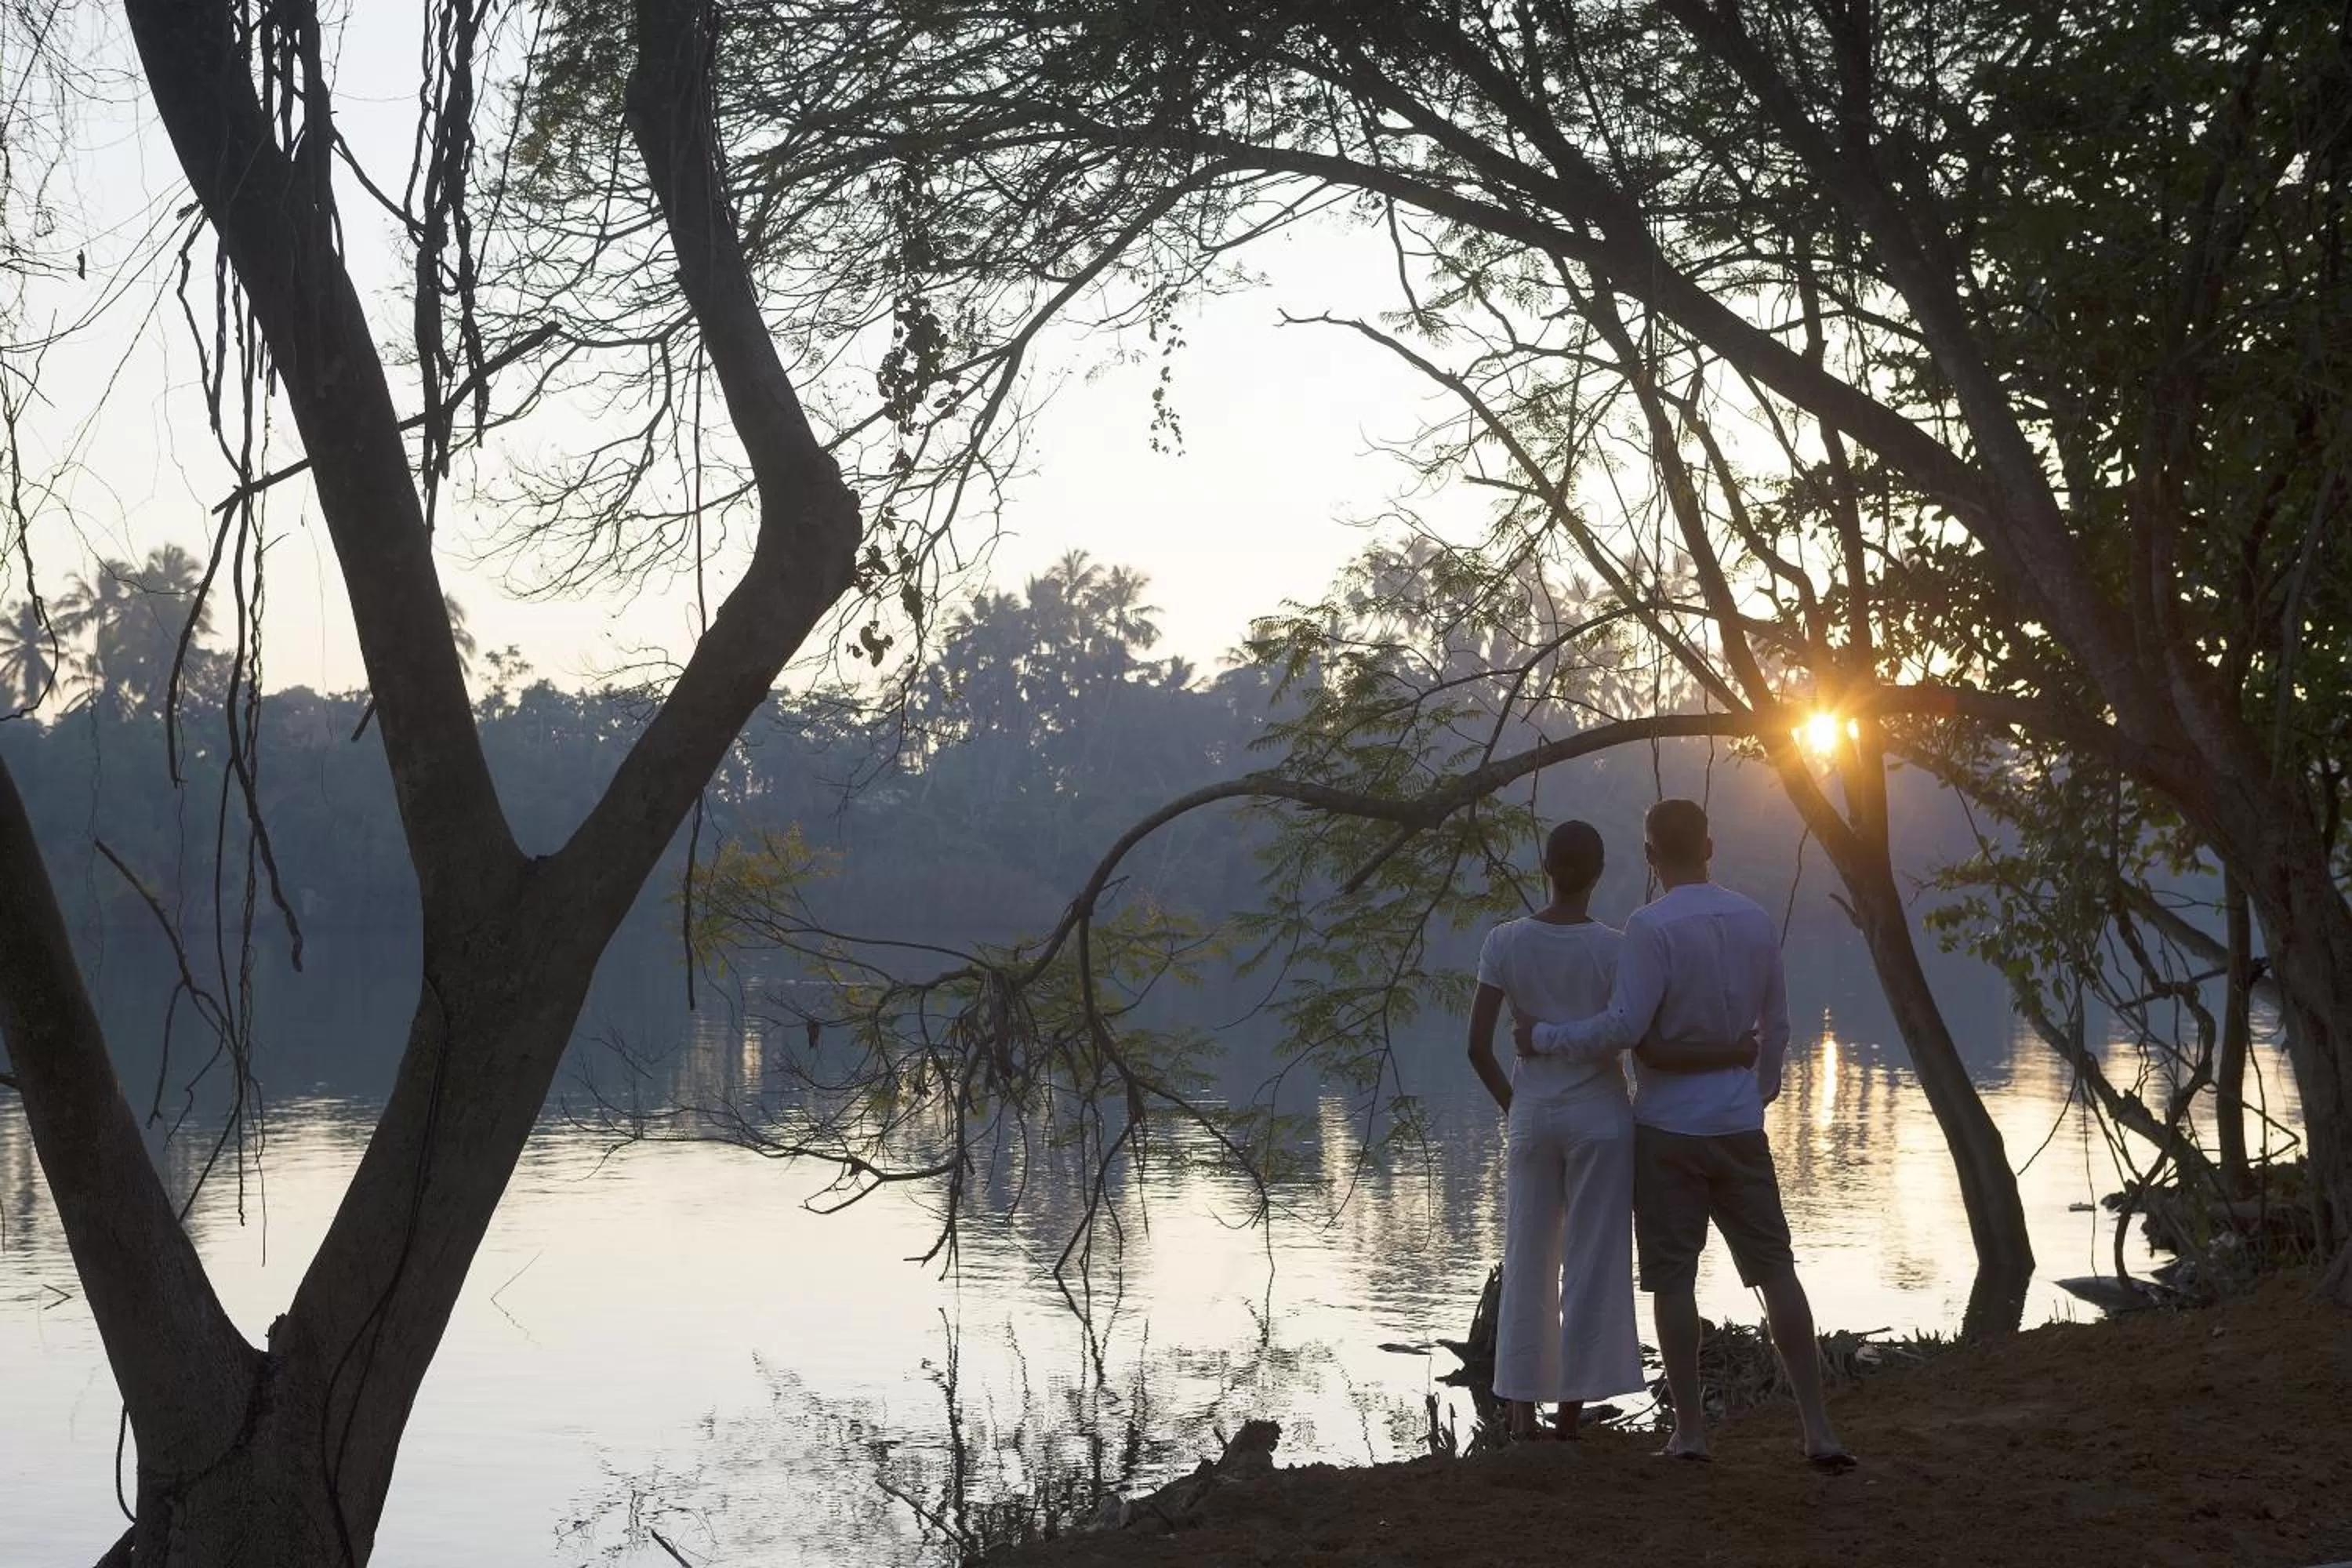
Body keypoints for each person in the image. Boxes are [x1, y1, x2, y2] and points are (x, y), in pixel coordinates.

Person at [1512, 798, 1855, 1472]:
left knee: (1674, 1281)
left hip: (1667, 1130)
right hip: (1738, 1126)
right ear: (1710, 846)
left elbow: (1624, 1028)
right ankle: (1818, 1431)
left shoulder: (1649, 926)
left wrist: (1544, 1037)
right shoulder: (1755, 920)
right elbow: (1777, 1026)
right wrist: (1756, 1088)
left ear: (1649, 856)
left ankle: (1691, 1433)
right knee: (1776, 1272)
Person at [1465, 819, 1646, 1442]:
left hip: (1534, 1115)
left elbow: (1477, 1048)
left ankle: (1521, 1413)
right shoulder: (1617, 949)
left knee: (1528, 1257)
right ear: (1599, 874)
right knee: (1593, 1260)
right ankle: (1570, 1416)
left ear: (1544, 866)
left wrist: (1516, 1107)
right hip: (1601, 1116)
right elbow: (1628, 1033)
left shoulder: (1505, 942)